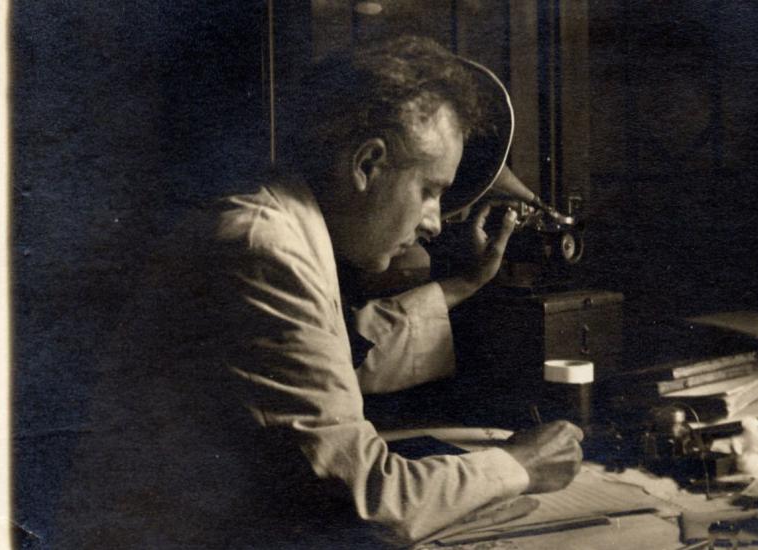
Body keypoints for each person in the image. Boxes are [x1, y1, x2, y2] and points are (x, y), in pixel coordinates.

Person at [56, 36, 584, 548]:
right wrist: (517, 465)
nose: (434, 222)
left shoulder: (280, 222)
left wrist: (462, 285)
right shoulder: (264, 249)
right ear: (367, 164)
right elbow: (367, 503)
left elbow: (338, 351)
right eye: (429, 191)